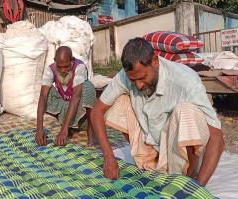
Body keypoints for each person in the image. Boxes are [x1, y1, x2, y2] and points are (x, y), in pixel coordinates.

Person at [91, 38, 224, 186]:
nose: (139, 85)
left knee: (186, 111)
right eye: (133, 81)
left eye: (142, 78)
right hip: (149, 151)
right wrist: (109, 156)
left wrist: (199, 186)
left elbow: (217, 138)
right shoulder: (126, 75)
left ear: (155, 60)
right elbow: (97, 111)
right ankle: (147, 163)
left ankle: (189, 173)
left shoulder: (186, 80)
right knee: (118, 101)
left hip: (176, 157)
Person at [35, 46, 96, 146]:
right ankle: (69, 126)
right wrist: (39, 129)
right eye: (59, 67)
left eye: (66, 66)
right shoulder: (50, 70)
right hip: (66, 111)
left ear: (72, 61)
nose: (63, 70)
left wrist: (64, 130)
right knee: (46, 91)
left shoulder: (79, 67)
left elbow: (76, 96)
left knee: (88, 87)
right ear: (55, 62)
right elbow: (43, 97)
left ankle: (90, 132)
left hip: (81, 115)